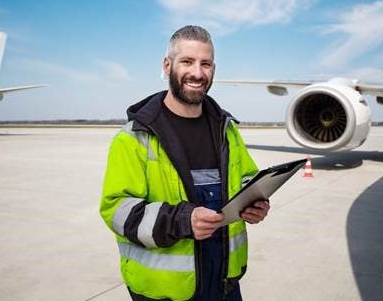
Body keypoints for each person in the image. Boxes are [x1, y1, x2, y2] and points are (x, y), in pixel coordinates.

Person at [100, 25, 270, 301]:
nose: (197, 73)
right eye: (187, 62)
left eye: (206, 64)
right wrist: (181, 220)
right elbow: (116, 209)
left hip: (225, 283)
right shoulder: (134, 137)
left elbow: (246, 178)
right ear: (167, 66)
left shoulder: (226, 130)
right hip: (165, 291)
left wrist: (254, 202)